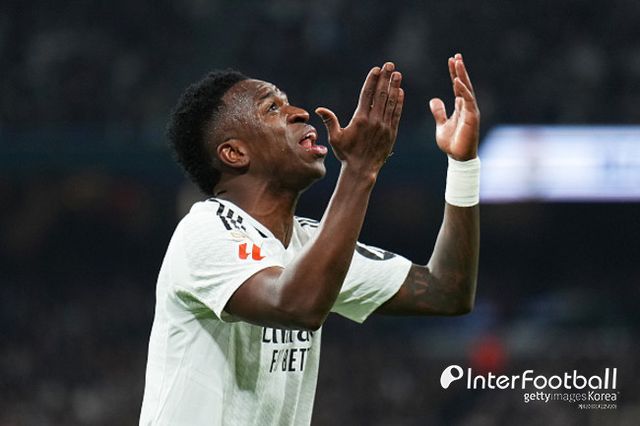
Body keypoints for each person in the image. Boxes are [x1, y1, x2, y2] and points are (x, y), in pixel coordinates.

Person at [140, 54, 480, 425]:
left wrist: (463, 166)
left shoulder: (310, 243)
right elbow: (295, 305)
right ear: (235, 153)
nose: (300, 113)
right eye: (272, 108)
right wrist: (360, 169)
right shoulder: (203, 229)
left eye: (288, 102)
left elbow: (446, 291)